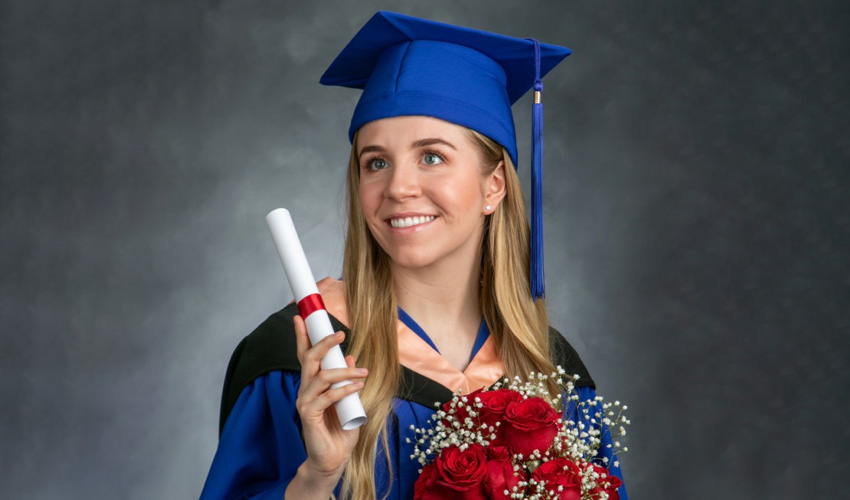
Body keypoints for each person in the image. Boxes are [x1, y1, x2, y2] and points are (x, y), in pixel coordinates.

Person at [200, 11, 627, 500]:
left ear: (494, 186)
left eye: (432, 156)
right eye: (376, 162)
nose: (398, 187)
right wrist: (316, 478)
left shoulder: (551, 375)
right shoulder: (303, 362)